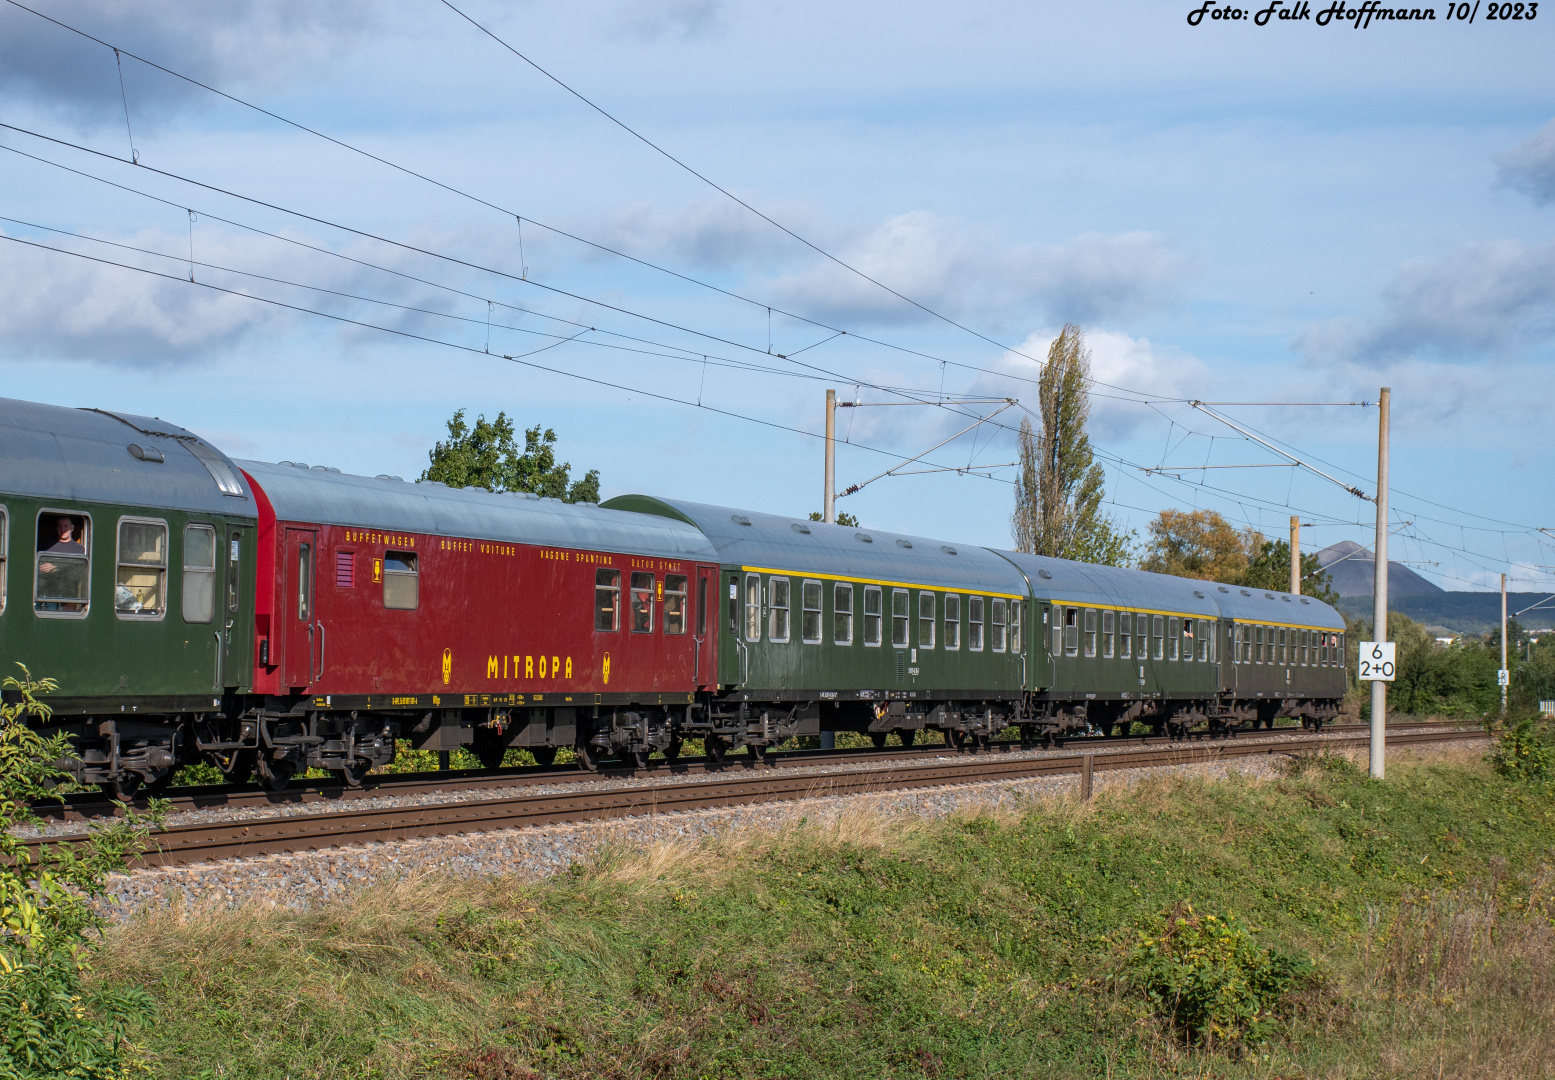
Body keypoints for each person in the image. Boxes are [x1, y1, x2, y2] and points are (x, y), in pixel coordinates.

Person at [37, 515, 87, 612]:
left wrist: (55, 568)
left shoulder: (78, 549)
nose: (62, 529)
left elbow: (75, 571)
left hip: (63, 596)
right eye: (60, 526)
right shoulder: (46, 544)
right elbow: (37, 565)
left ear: (72, 528)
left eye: (65, 526)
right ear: (56, 528)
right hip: (40, 593)